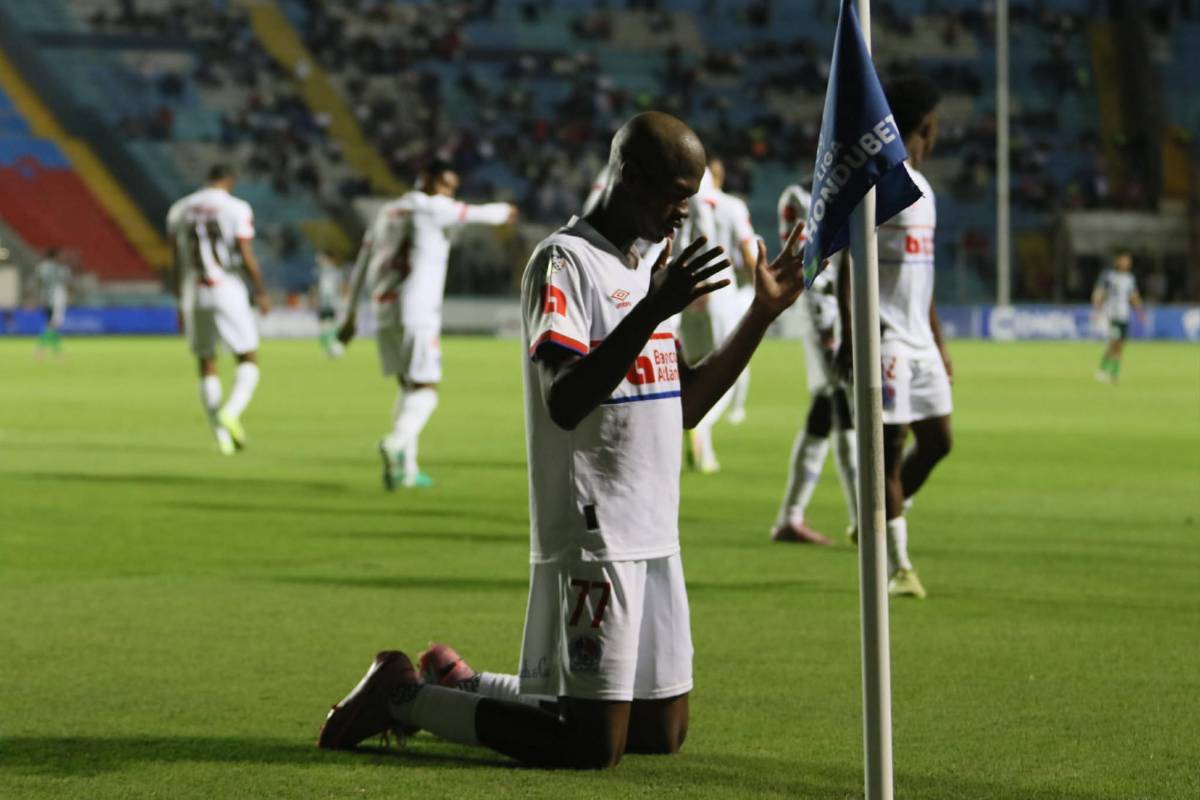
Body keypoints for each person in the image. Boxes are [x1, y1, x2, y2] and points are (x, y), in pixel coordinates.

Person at [316, 111, 812, 768]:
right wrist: (653, 309)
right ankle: (403, 697)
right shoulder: (564, 261)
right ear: (630, 177)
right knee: (590, 747)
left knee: (660, 733)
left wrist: (762, 313)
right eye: (675, 193)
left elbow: (685, 404)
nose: (682, 213)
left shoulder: (644, 266)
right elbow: (566, 397)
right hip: (595, 528)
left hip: (654, 527)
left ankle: (465, 686)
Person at [837, 75, 952, 599]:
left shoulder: (923, 189)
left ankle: (878, 515)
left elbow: (920, 278)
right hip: (885, 340)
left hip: (920, 343)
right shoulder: (882, 183)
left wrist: (939, 341)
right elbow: (846, 263)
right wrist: (850, 336)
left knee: (939, 441)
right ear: (924, 123)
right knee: (889, 451)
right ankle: (899, 566)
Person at [337, 160, 517, 489]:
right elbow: (484, 214)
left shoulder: (387, 211)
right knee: (427, 391)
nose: (450, 194)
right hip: (417, 310)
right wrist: (507, 210)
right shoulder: (434, 208)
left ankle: (405, 470)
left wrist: (348, 315)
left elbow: (362, 262)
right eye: (448, 186)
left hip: (383, 307)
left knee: (408, 387)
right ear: (432, 182)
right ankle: (394, 443)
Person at [770, 181, 857, 546]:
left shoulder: (834, 193)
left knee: (824, 409)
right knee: (842, 400)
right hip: (821, 303)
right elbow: (809, 257)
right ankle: (863, 518)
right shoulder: (797, 197)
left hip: (840, 302)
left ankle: (790, 517)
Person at [167, 164, 270, 456]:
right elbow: (245, 253)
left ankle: (222, 437)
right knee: (247, 356)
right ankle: (231, 412)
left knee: (206, 361)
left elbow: (175, 261)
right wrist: (260, 290)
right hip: (227, 287)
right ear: (230, 181)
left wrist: (179, 301)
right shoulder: (236, 208)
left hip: (193, 290)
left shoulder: (179, 209)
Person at [707, 156, 759, 425]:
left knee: (690, 364)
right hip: (722, 292)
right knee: (730, 364)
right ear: (720, 176)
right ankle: (700, 425)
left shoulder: (682, 202)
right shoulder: (731, 206)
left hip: (684, 295)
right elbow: (749, 256)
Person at [1092, 248, 1145, 384]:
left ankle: (1113, 373)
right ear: (1118, 261)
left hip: (1124, 315)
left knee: (1120, 345)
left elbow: (1134, 297)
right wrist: (1096, 311)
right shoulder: (1109, 276)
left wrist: (1140, 313)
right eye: (1124, 260)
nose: (1127, 263)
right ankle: (1104, 371)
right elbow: (1099, 293)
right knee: (1114, 343)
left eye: (1129, 261)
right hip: (1111, 314)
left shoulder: (1129, 278)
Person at [33, 248, 70, 358]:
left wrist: (35, 298)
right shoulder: (60, 269)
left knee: (51, 326)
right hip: (55, 299)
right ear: (55, 257)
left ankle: (52, 351)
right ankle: (45, 349)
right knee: (53, 325)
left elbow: (37, 283)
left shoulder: (40, 268)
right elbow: (67, 282)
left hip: (45, 299)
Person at [314, 250, 346, 358]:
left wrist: (343, 299)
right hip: (323, 303)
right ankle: (328, 347)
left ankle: (334, 346)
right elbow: (318, 288)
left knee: (332, 324)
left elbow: (341, 286)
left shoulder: (336, 272)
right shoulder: (321, 272)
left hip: (333, 303)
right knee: (323, 325)